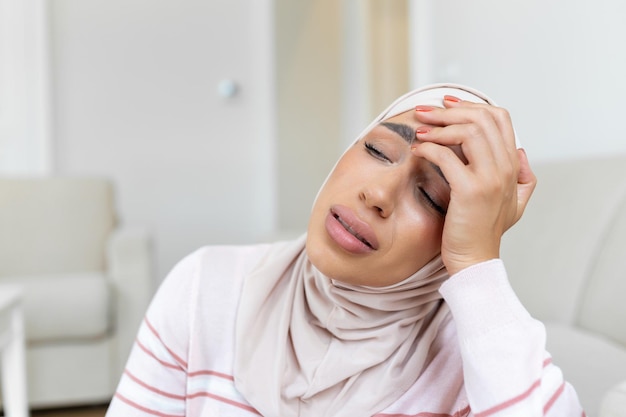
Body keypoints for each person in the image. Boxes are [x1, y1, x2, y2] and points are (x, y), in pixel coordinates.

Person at [105, 83, 586, 417]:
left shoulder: (475, 358)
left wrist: (477, 265)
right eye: (377, 151)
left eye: (432, 197)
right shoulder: (204, 288)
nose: (377, 194)